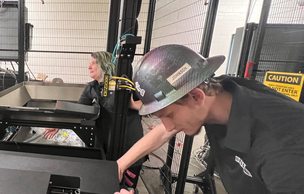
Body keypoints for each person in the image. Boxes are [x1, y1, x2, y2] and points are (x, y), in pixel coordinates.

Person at [115, 44, 304, 194]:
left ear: (197, 97)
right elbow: (166, 129)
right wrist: (120, 164)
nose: (169, 125)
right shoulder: (220, 91)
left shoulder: (281, 150)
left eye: (169, 115)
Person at [44, 51, 146, 189]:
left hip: (129, 145)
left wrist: (133, 105)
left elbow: (149, 104)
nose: (89, 67)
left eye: (93, 63)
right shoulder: (91, 88)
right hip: (106, 145)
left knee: (126, 187)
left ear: (104, 65)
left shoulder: (123, 85)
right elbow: (77, 111)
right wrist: (59, 125)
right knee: (106, 185)